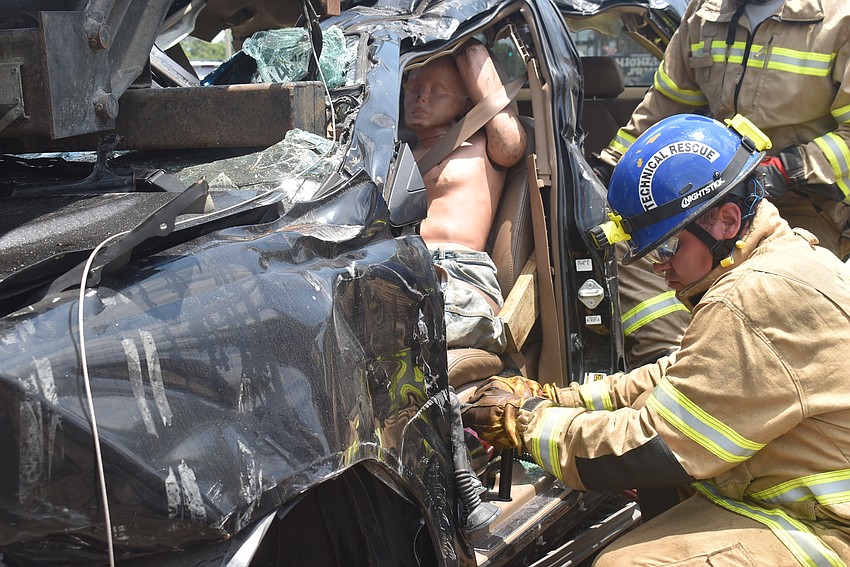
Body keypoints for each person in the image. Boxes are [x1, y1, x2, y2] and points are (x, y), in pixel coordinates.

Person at [464, 114, 850, 566]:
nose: (659, 270)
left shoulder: (751, 297)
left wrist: (526, 425)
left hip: (829, 528)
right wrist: (560, 396)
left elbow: (655, 444)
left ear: (726, 220)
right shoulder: (776, 259)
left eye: (667, 249)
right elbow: (683, 378)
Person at [596, 0, 850, 261]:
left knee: (782, 290)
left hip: (806, 203)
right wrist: (610, 167)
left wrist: (787, 170)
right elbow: (666, 105)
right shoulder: (704, 12)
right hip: (713, 198)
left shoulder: (839, 18)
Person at [403, 41, 527, 353]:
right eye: (413, 87)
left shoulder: (484, 147)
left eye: (438, 90)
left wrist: (466, 46)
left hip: (459, 274)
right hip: (403, 270)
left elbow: (512, 141)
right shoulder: (391, 156)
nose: (421, 97)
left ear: (465, 103)